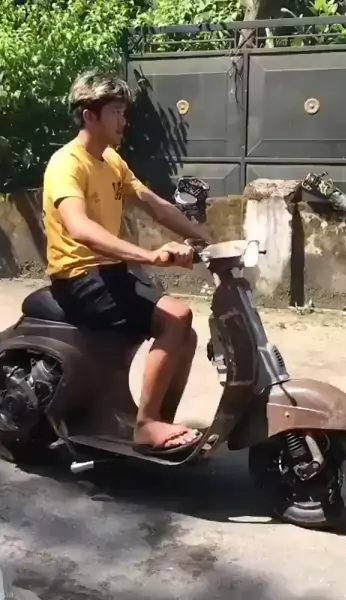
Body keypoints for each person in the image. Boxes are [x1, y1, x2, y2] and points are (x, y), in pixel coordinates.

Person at [42, 70, 209, 457]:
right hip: (79, 276)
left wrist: (206, 241)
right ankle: (146, 426)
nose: (124, 121)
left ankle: (160, 421)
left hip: (110, 273)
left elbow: (155, 205)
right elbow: (79, 227)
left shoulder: (112, 161)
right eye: (116, 112)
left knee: (185, 333)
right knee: (177, 316)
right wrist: (148, 256)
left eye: (123, 112)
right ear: (90, 116)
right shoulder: (67, 164)